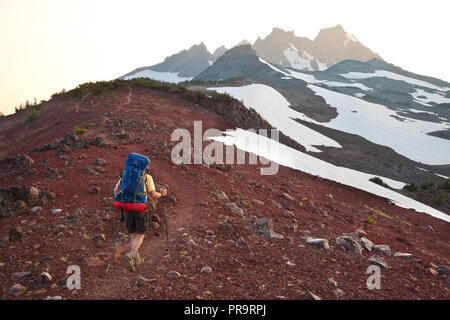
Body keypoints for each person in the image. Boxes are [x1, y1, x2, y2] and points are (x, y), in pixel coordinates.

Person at [113, 171, 167, 272]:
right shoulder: (146, 177)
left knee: (133, 233)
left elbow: (116, 190)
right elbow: (153, 194)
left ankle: (133, 259)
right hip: (140, 208)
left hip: (127, 207)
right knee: (141, 233)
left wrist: (123, 200)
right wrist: (162, 194)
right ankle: (132, 253)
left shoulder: (125, 176)